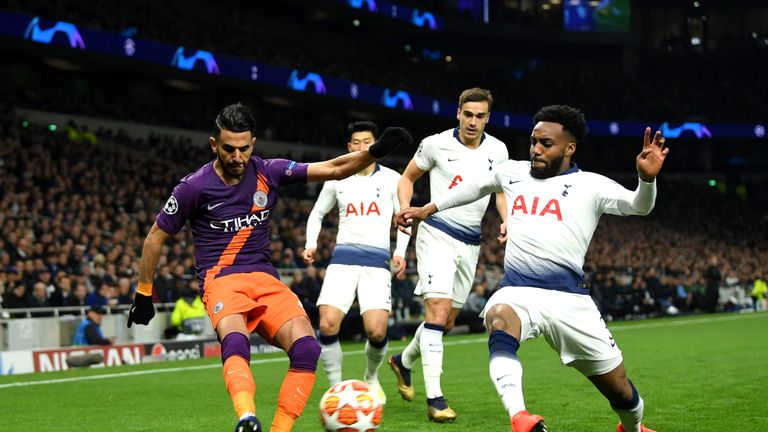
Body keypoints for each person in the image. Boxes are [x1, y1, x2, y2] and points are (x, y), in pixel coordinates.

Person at [126, 103, 410, 432]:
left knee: (307, 347)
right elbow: (154, 237)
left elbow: (332, 168)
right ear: (214, 145)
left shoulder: (269, 171)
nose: (237, 157)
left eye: (244, 149)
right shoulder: (194, 186)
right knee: (235, 341)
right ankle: (246, 417)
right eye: (229, 149)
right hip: (222, 282)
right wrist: (144, 293)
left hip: (264, 279)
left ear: (253, 144)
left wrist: (375, 152)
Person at [396, 105, 667, 432]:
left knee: (619, 389)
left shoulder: (591, 186)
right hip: (518, 290)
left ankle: (633, 428)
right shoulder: (512, 172)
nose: (536, 149)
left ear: (569, 148)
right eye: (533, 141)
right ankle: (519, 417)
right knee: (499, 319)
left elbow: (639, 206)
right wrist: (429, 208)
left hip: (570, 300)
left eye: (546, 144)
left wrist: (646, 180)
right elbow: (474, 187)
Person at [388, 87, 509, 422]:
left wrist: (506, 221)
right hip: (436, 232)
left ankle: (403, 361)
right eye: (467, 114)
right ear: (457, 112)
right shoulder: (435, 143)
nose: (472, 121)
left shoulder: (498, 150)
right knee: (437, 312)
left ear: (488, 117)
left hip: (471, 242)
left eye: (479, 116)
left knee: (448, 321)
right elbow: (407, 178)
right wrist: (403, 207)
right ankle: (436, 400)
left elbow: (500, 193)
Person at [302, 121, 410, 403]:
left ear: (377, 144)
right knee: (327, 325)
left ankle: (371, 378)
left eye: (368, 142)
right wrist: (310, 244)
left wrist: (401, 252)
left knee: (376, 331)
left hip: (377, 262)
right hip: (343, 259)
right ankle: (337, 391)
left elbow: (404, 219)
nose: (363, 147)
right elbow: (316, 214)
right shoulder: (337, 178)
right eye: (357, 143)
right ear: (349, 147)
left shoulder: (392, 179)